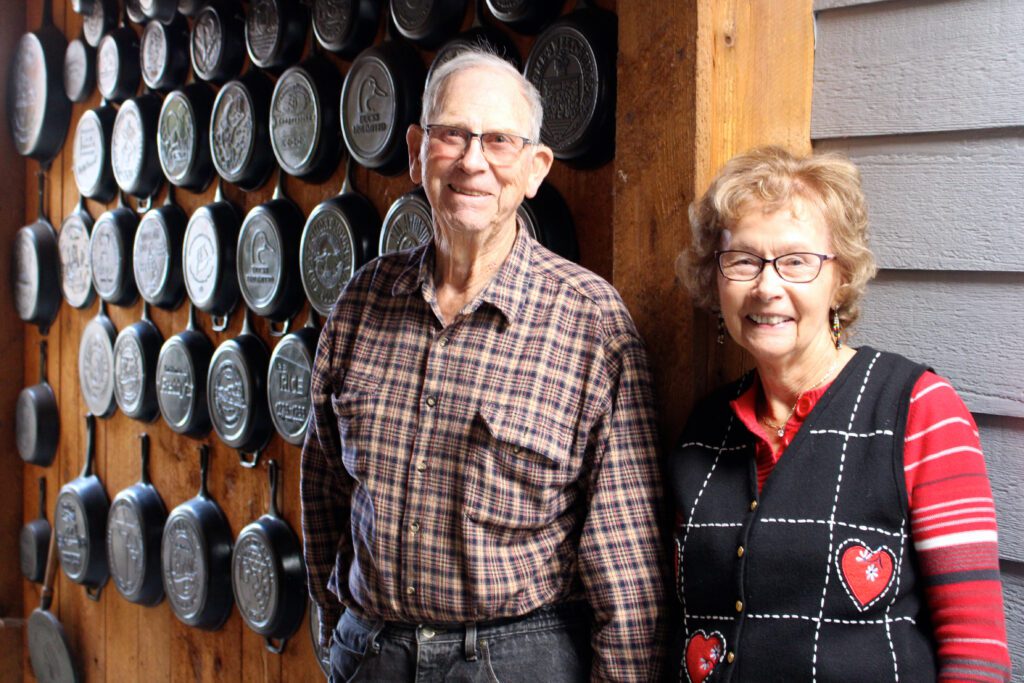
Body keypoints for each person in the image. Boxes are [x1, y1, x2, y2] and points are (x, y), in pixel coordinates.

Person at [301, 48, 667, 682]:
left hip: (514, 659)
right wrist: (342, 638)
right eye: (452, 135)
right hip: (370, 653)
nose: (472, 161)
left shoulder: (590, 321)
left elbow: (627, 568)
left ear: (535, 168)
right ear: (417, 150)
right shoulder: (363, 299)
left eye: (498, 140)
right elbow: (324, 494)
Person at [668, 147, 1011, 682]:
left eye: (797, 261)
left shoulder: (918, 408)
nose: (766, 285)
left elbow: (975, 650)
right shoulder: (703, 431)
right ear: (716, 279)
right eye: (742, 260)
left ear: (842, 278)